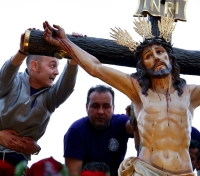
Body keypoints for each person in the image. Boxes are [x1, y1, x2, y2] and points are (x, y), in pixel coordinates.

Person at [43, 16, 198, 175]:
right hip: (147, 171)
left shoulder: (190, 93)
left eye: (159, 52)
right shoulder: (137, 90)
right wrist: (64, 42)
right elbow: (95, 68)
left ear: (170, 58)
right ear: (143, 66)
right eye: (148, 56)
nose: (156, 57)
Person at [0, 28, 78, 168]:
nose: (57, 72)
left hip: (18, 165)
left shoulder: (50, 98)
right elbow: (6, 73)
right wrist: (23, 50)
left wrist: (74, 52)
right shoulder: (12, 83)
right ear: (34, 66)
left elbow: (66, 86)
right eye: (52, 65)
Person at [64, 85, 134, 176]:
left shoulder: (120, 122)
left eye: (106, 106)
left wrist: (135, 116)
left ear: (113, 108)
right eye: (95, 106)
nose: (100, 111)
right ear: (87, 107)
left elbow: (136, 128)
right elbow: (73, 174)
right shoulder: (76, 131)